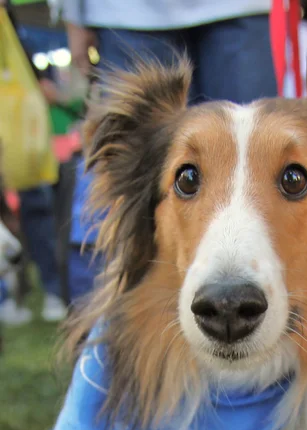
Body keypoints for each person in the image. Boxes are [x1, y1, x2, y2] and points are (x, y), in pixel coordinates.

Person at [62, 0, 277, 303]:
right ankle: (99, 320)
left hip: (240, 7)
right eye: (187, 180)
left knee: (261, 153)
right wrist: (73, 12)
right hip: (127, 11)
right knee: (121, 198)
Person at [0, 0, 67, 325]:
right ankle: (8, 296)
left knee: (36, 206)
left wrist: (39, 76)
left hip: (16, 131)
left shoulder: (8, 20)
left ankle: (54, 289)